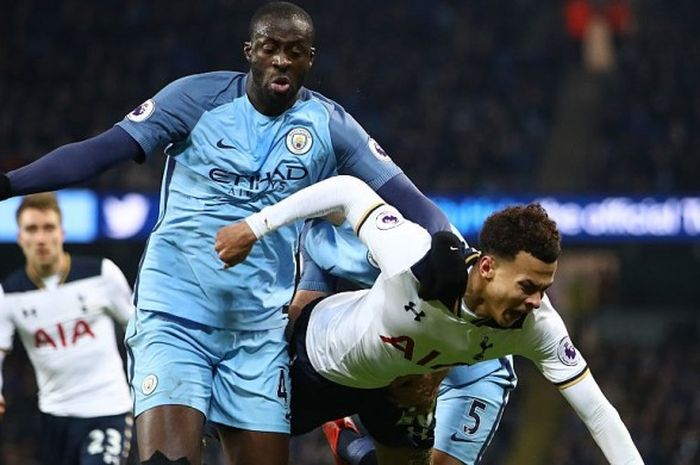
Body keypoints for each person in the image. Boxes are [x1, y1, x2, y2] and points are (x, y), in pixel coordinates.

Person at [0, 3, 449, 464]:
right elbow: (101, 151)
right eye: (270, 48)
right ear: (249, 52)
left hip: (258, 332)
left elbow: (414, 204)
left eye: (294, 52)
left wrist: (455, 257)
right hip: (175, 316)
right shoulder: (195, 99)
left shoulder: (330, 126)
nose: (281, 60)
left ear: (309, 59)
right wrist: (9, 184)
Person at [215, 175, 645, 465]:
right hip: (320, 363)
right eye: (528, 286)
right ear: (488, 268)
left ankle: (352, 445)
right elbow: (347, 190)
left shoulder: (536, 327)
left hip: (394, 391)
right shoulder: (417, 257)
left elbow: (599, 414)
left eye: (544, 289)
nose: (536, 302)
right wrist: (255, 226)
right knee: (226, 435)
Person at [289, 220, 517, 465]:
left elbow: (459, 305)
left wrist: (434, 371)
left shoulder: (404, 232)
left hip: (476, 369)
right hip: (407, 357)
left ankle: (350, 444)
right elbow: (308, 305)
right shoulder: (315, 231)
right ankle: (349, 440)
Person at [0, 192, 134, 465]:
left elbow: (140, 333)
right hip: (54, 416)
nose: (41, 238)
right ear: (20, 237)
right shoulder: (8, 294)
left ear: (62, 232)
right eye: (32, 229)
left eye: (48, 228)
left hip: (109, 408)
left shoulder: (102, 274)